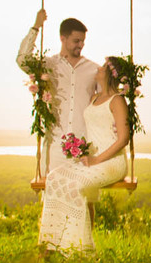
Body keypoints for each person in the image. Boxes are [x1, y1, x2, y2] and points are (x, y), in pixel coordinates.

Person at [37, 56, 133, 253]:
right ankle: (51, 242)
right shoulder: (94, 99)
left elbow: (123, 139)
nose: (98, 69)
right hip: (93, 159)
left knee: (76, 185)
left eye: (103, 67)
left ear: (110, 74)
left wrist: (97, 159)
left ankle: (77, 248)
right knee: (54, 177)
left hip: (111, 162)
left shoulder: (118, 101)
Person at [17, 10, 99, 173]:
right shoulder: (49, 65)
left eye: (83, 41)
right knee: (53, 196)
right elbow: (22, 60)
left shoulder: (94, 70)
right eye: (76, 41)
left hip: (84, 148)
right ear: (63, 38)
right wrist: (36, 27)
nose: (81, 45)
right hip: (54, 148)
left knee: (85, 198)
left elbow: (107, 103)